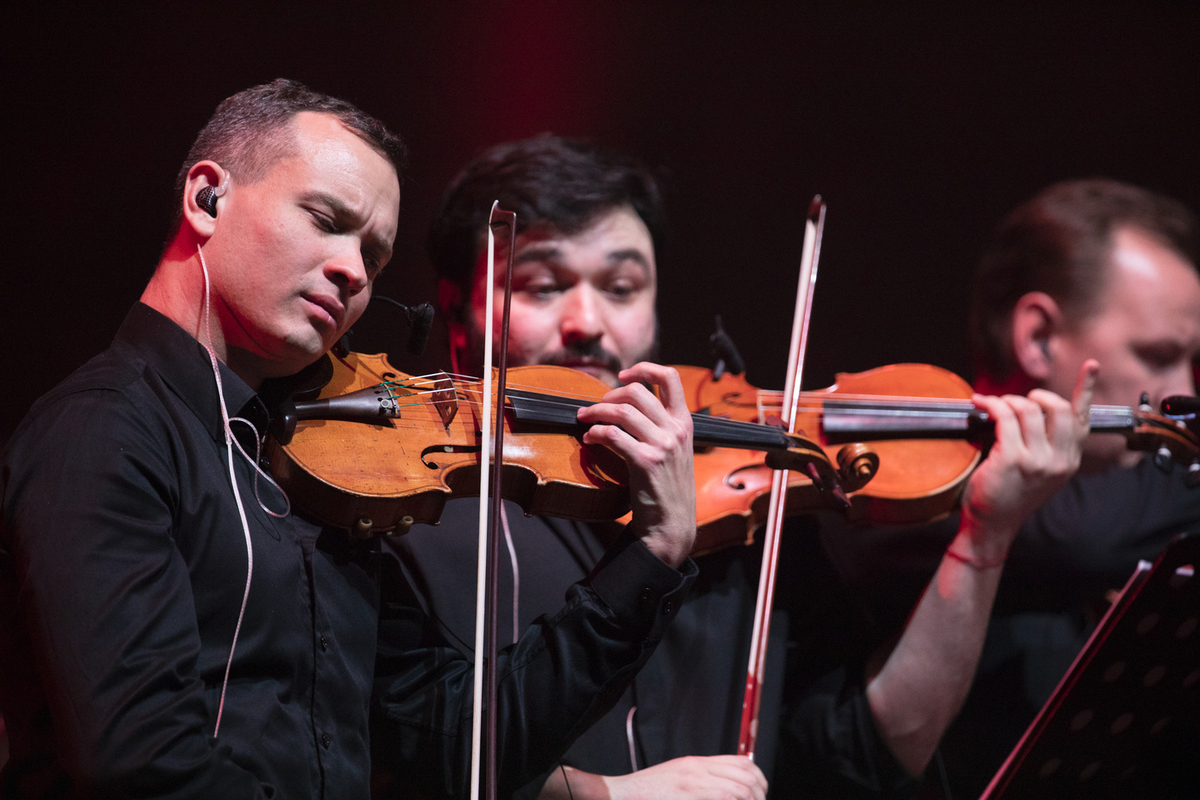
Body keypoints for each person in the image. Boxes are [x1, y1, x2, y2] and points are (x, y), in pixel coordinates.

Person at [0, 80, 703, 800]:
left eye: (375, 253)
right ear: (206, 197)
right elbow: (140, 764)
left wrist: (650, 555)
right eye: (326, 220)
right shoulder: (101, 430)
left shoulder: (312, 473)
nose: (354, 271)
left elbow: (458, 746)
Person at [391, 135, 1098, 800]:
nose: (588, 322)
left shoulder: (743, 509)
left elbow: (865, 751)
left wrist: (986, 536)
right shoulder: (404, 507)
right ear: (459, 313)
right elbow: (388, 746)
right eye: (544, 286)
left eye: (622, 286)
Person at [815, 178, 1200, 798]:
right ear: (1039, 337)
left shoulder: (1138, 515)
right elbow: (1077, 536)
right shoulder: (914, 478)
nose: (1186, 391)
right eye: (1159, 355)